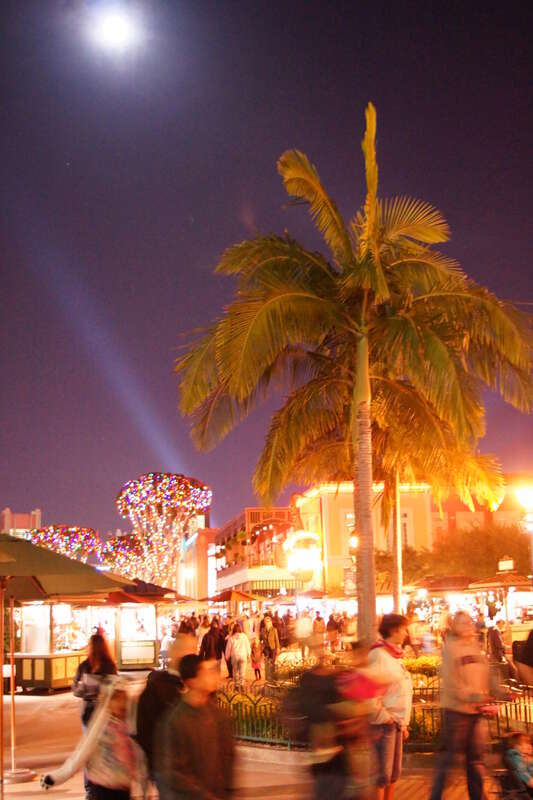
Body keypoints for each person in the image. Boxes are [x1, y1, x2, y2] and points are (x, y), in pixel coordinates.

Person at [42, 681, 146, 800]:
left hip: (122, 788)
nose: (121, 704)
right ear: (108, 703)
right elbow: (82, 753)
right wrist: (58, 776)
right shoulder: (101, 727)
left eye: (124, 699)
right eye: (116, 699)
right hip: (101, 787)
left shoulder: (129, 727)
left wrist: (144, 778)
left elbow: (137, 754)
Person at [429, 611, 491, 800]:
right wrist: (472, 696)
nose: (468, 626)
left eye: (469, 622)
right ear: (454, 626)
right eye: (462, 623)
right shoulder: (451, 648)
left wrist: (491, 692)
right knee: (448, 759)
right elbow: (452, 682)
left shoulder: (474, 646)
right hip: (457, 712)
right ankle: (435, 796)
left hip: (474, 711)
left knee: (475, 760)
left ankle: (477, 796)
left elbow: (485, 672)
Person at [155, 654, 235, 800]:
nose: (212, 676)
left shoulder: (218, 715)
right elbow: (173, 772)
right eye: (205, 673)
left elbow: (228, 756)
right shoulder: (174, 721)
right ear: (191, 681)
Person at [136, 634, 196, 789]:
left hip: (188, 772)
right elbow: (144, 730)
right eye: (190, 651)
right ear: (177, 654)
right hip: (169, 771)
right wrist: (157, 764)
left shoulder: (192, 686)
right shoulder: (158, 688)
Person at [369, 613, 413, 800]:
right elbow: (370, 692)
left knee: (393, 774)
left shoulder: (394, 655)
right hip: (384, 724)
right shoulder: (378, 655)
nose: (406, 633)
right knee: (381, 776)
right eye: (404, 629)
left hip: (396, 723)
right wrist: (385, 718)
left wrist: (403, 723)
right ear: (394, 630)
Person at [73, 633, 118, 727]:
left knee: (89, 733)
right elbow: (115, 686)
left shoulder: (84, 666)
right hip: (105, 708)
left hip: (88, 708)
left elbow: (75, 688)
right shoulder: (110, 666)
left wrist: (84, 687)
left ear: (90, 647)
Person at [225, 623, 251, 688]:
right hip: (243, 655)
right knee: (242, 672)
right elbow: (247, 646)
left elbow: (228, 648)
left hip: (235, 656)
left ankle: (236, 686)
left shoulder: (231, 638)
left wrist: (227, 656)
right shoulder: (244, 636)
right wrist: (248, 654)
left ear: (234, 629)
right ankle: (241, 685)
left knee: (235, 671)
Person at [262, 615, 280, 680]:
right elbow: (261, 639)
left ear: (271, 622)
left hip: (273, 648)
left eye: (268, 621)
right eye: (266, 621)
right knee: (267, 662)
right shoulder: (263, 630)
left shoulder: (274, 630)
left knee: (273, 662)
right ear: (264, 622)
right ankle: (267, 677)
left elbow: (276, 639)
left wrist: (278, 648)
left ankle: (274, 676)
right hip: (266, 648)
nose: (267, 623)